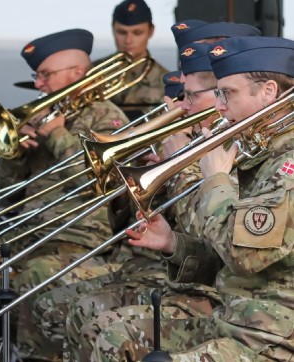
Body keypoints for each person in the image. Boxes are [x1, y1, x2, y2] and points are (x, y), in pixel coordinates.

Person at [91, 35, 294, 361]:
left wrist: (214, 181)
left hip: (271, 334)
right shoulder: (261, 150)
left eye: (228, 94)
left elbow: (244, 256)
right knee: (114, 337)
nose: (220, 106)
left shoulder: (288, 165)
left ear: (268, 92)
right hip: (235, 317)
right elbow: (236, 263)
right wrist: (174, 244)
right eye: (217, 93)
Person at [57, 42, 224, 362]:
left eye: (190, 96)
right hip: (182, 278)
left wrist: (180, 167)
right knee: (84, 313)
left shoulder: (234, 150)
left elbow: (219, 235)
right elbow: (131, 220)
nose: (180, 107)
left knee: (107, 330)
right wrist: (169, 238)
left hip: (216, 297)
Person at [0, 29, 130, 361]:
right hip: (29, 232)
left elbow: (99, 181)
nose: (38, 84)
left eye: (45, 74)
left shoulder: (107, 118)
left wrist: (57, 135)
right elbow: (3, 190)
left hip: (79, 237)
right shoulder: (43, 115)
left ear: (77, 73)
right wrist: (14, 154)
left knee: (35, 275)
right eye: (37, 75)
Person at [105, 0, 168, 120]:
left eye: (137, 33)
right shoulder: (92, 74)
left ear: (151, 31)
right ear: (113, 29)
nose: (128, 40)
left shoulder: (167, 81)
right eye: (121, 32)